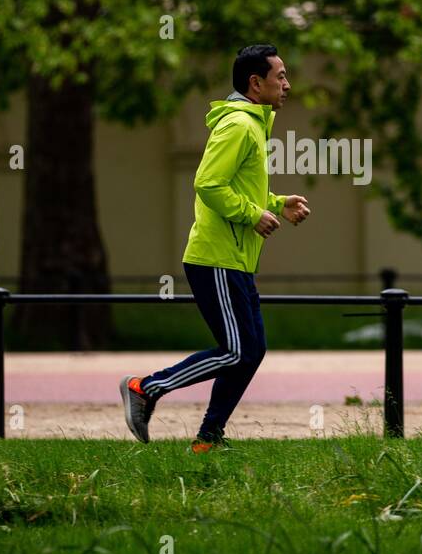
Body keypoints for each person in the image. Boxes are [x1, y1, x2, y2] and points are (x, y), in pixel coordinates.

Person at [120, 44, 310, 452]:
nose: (287, 84)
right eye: (280, 76)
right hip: (216, 257)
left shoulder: (254, 124)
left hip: (236, 258)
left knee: (251, 350)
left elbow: (238, 186)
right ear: (255, 83)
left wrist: (276, 204)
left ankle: (208, 438)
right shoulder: (239, 125)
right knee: (237, 351)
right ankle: (146, 387)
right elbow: (208, 184)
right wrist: (251, 215)